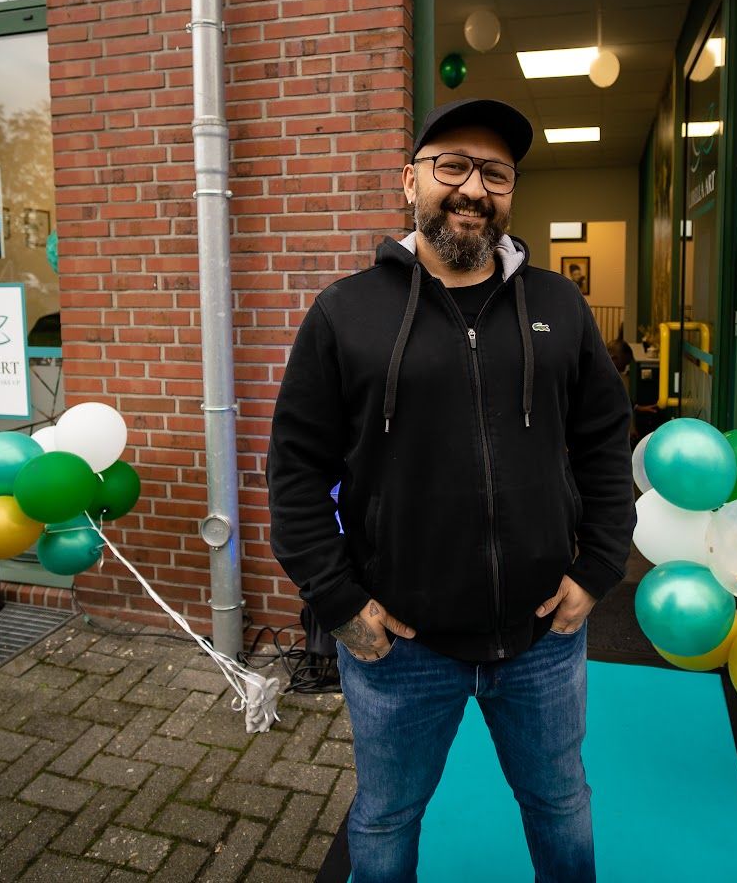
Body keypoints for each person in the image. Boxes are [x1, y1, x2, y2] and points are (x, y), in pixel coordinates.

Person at [267, 98, 635, 882]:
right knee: (386, 816)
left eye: (495, 173)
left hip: (540, 637)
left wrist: (599, 563)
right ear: (410, 182)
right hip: (400, 644)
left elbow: (606, 441)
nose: (473, 188)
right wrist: (337, 601)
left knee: (560, 803)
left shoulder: (558, 307)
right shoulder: (344, 313)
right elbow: (295, 469)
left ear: (511, 194)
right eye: (452, 167)